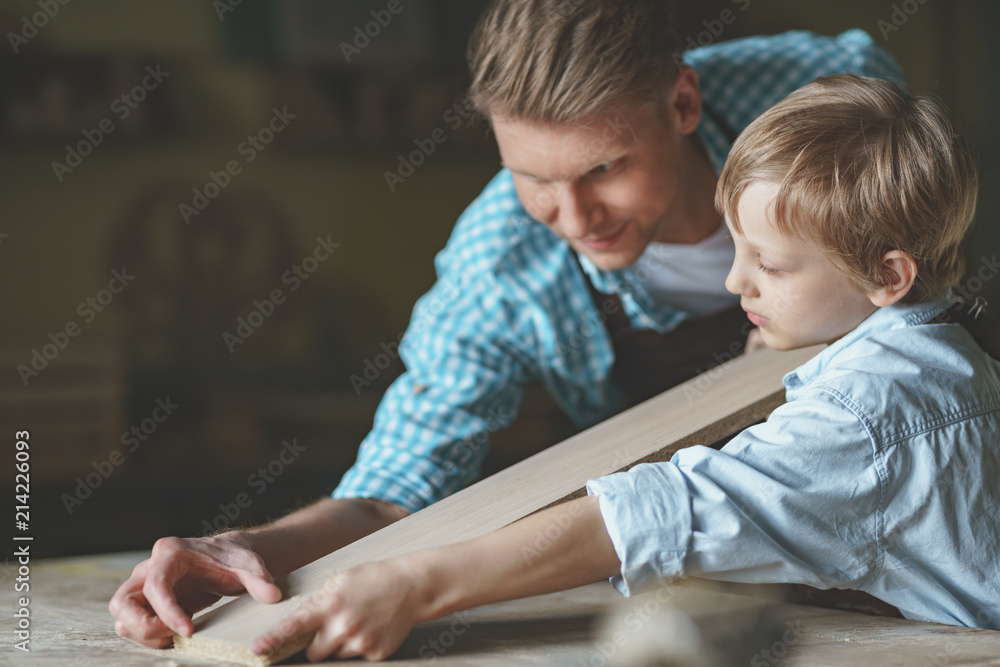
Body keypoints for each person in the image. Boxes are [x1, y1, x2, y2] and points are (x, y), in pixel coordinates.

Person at [110, 0, 904, 650]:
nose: (575, 216)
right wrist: (247, 546)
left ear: (683, 103)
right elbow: (394, 492)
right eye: (532, 177)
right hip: (702, 566)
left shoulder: (818, 97)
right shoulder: (498, 265)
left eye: (605, 168)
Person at [248, 73, 1000, 662]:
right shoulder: (932, 353)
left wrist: (415, 582)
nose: (736, 283)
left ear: (888, 275)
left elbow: (659, 512)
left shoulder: (869, 412)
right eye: (736, 250)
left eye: (768, 264)